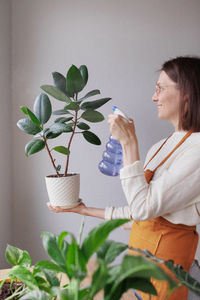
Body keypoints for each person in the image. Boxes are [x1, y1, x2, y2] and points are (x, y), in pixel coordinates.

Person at [47, 56, 200, 300]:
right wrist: (83, 210)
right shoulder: (161, 146)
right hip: (141, 269)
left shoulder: (197, 149)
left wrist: (129, 143)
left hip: (169, 276)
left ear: (188, 93)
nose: (154, 97)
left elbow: (143, 208)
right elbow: (139, 216)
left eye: (160, 88)